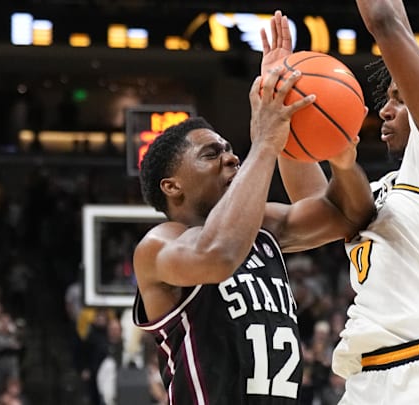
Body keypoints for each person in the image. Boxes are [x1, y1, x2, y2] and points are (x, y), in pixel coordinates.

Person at [272, 1, 419, 402]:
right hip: (368, 382)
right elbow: (311, 205)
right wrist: (285, 111)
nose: (384, 110)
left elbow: (384, 20)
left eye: (399, 97)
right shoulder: (379, 191)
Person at [132, 65, 374, 405]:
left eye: (230, 149)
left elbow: (345, 214)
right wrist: (265, 142)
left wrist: (339, 158)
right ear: (173, 186)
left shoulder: (261, 230)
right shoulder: (159, 245)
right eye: (211, 154)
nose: (231, 158)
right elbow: (218, 255)